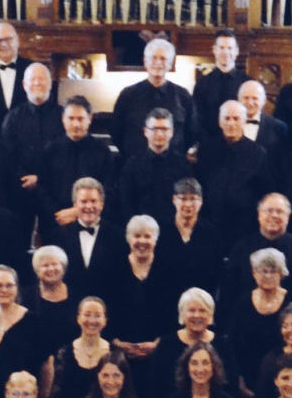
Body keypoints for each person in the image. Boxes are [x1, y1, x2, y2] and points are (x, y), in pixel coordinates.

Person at [101, 216, 178, 377]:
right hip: (118, 355)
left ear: (155, 240)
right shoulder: (111, 267)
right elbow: (104, 308)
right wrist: (116, 343)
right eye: (137, 236)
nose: (142, 241)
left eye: (147, 236)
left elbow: (175, 312)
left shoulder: (170, 269)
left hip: (160, 354)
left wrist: (158, 343)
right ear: (128, 239)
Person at [36, 100, 121, 240]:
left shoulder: (102, 151)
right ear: (63, 119)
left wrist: (77, 212)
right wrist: (59, 214)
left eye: (80, 119)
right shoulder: (50, 150)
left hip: (91, 221)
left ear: (90, 119)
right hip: (56, 223)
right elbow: (42, 189)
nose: (76, 124)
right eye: (71, 118)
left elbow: (108, 189)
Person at [224, 248, 292, 388]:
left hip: (285, 378)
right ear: (254, 274)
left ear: (281, 274)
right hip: (248, 377)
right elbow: (232, 343)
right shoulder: (242, 303)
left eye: (273, 271)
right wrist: (238, 379)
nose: (268, 276)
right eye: (263, 271)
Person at [192, 101, 271, 240]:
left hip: (245, 226)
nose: (231, 123)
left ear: (244, 121)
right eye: (226, 118)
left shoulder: (258, 153)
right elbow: (199, 184)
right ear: (219, 121)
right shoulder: (206, 150)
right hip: (209, 223)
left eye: (236, 118)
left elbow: (263, 191)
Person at [223, 193, 292, 302]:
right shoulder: (241, 249)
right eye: (269, 211)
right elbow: (229, 292)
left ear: (288, 217)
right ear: (259, 215)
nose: (274, 215)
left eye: (280, 212)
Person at [112, 38, 194, 156]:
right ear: (145, 61)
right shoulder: (128, 95)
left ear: (170, 64)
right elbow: (116, 131)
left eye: (163, 58)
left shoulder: (183, 96)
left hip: (173, 166)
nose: (158, 63)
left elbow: (191, 133)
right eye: (154, 58)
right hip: (135, 166)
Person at [153, 288, 236, 398]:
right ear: (182, 314)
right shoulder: (166, 344)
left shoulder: (223, 344)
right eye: (191, 310)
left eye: (202, 310)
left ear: (210, 314)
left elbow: (232, 386)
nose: (197, 315)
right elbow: (156, 387)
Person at [115, 110, 195, 225]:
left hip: (173, 230)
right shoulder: (132, 165)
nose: (159, 134)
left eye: (164, 129)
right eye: (154, 129)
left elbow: (187, 202)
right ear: (146, 131)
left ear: (172, 132)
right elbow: (125, 202)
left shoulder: (183, 166)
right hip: (140, 230)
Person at [45, 296, 114, 398]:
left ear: (105, 320)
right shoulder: (64, 353)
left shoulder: (114, 354)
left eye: (97, 315)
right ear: (78, 318)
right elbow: (55, 396)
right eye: (87, 314)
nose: (92, 320)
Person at [156, 179, 226, 297]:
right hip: (165, 299)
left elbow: (217, 272)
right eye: (183, 198)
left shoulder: (212, 233)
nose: (188, 204)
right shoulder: (160, 231)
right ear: (174, 200)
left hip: (200, 302)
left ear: (201, 202)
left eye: (193, 198)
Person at [54, 178, 123, 296]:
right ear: (75, 205)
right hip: (72, 306)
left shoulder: (117, 234)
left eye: (93, 201)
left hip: (107, 305)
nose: (89, 206)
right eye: (84, 201)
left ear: (101, 204)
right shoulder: (60, 235)